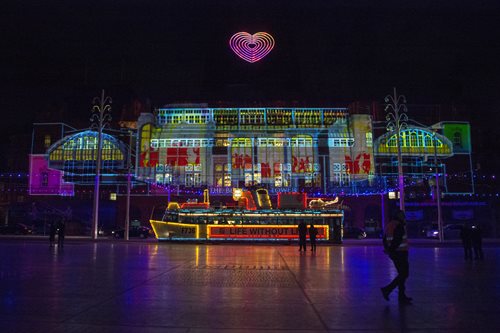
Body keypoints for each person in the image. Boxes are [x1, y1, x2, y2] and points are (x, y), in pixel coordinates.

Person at [381, 209, 412, 304]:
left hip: (395, 254)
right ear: (399, 216)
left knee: (401, 275)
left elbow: (385, 239)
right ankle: (387, 289)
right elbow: (397, 240)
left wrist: (388, 250)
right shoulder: (399, 226)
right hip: (400, 253)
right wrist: (392, 250)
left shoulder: (390, 225)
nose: (404, 217)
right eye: (403, 215)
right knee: (404, 274)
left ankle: (401, 296)